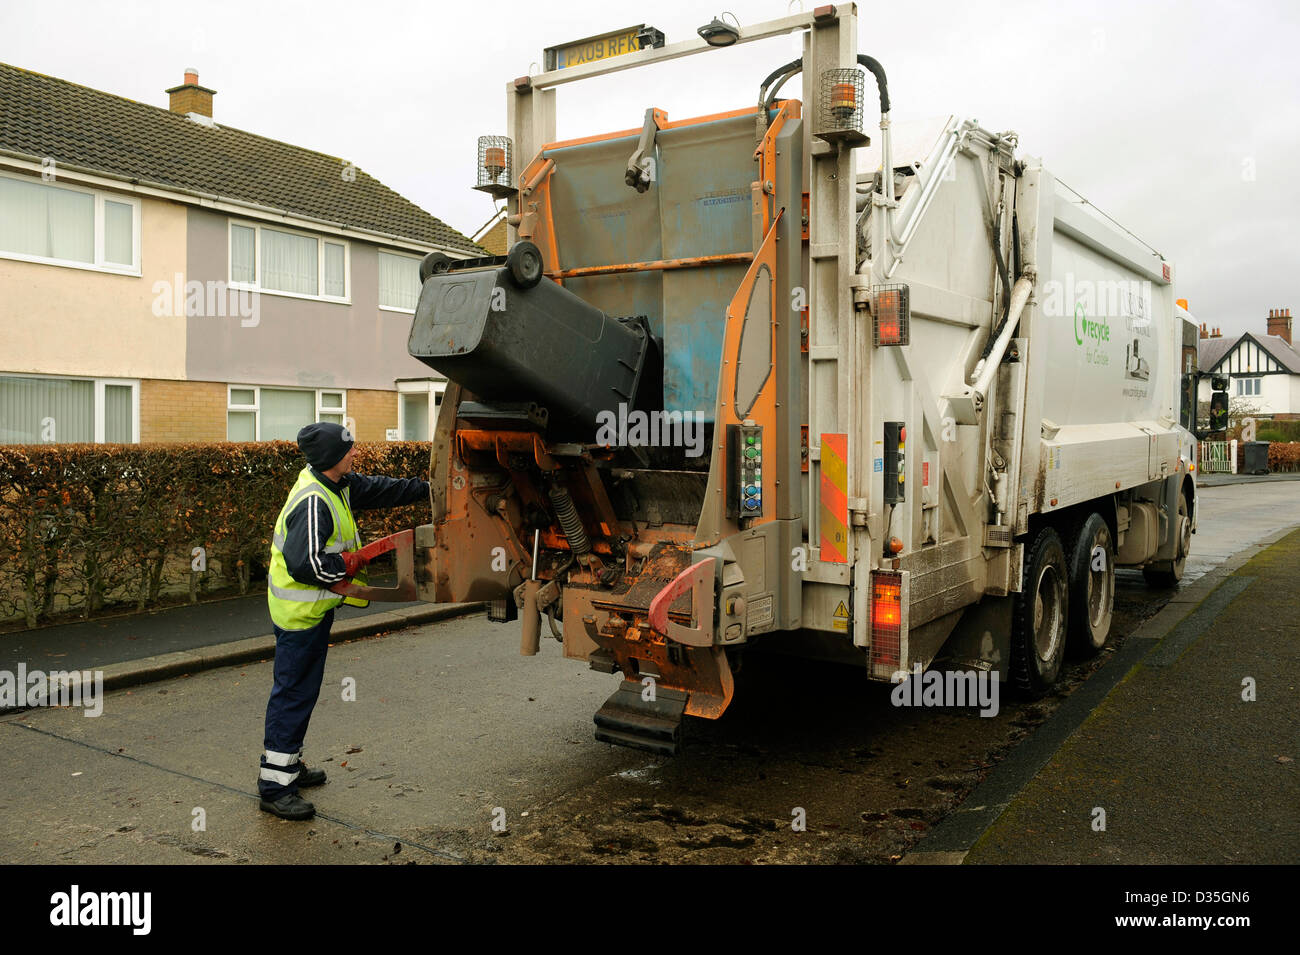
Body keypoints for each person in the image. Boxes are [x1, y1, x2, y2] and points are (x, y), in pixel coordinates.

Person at [257, 422, 428, 820]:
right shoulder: (314, 501)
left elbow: (384, 489)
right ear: (333, 457)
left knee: (300, 693)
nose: (356, 455)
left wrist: (430, 487)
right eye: (350, 450)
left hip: (311, 612)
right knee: (294, 695)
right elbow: (307, 564)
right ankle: (274, 787)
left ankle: (288, 766)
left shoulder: (338, 484)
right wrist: (347, 563)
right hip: (299, 616)